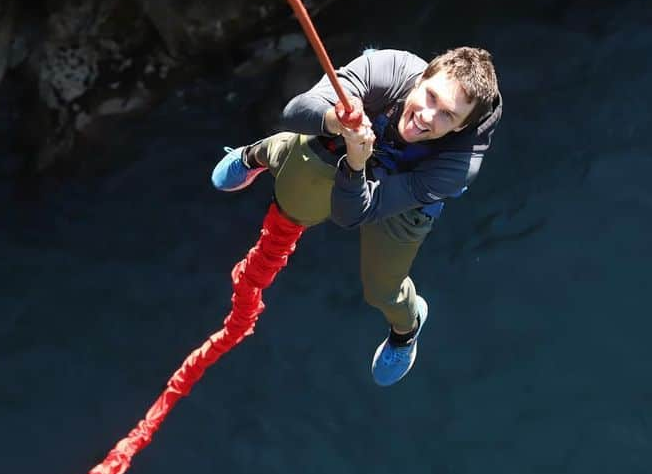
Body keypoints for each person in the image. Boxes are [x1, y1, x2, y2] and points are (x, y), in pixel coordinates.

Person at [211, 46, 502, 386]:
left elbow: (355, 214)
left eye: (447, 116)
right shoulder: (389, 69)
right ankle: (259, 154)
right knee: (299, 181)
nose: (427, 116)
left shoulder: (458, 166)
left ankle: (406, 332)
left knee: (383, 290)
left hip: (404, 196)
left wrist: (355, 163)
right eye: (430, 96)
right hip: (356, 144)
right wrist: (337, 120)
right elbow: (295, 111)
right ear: (421, 78)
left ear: (461, 127)